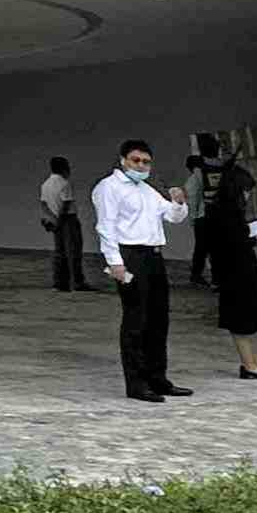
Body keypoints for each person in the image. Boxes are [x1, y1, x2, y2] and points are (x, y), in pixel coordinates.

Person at [91, 138, 192, 402]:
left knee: (158, 319)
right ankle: (136, 383)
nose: (141, 165)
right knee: (136, 319)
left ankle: (157, 378)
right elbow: (106, 226)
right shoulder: (109, 187)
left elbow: (173, 216)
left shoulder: (147, 190)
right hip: (130, 256)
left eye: (146, 162)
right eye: (135, 160)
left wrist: (179, 202)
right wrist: (115, 261)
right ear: (123, 160)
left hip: (153, 255)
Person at [189, 133, 257, 379]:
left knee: (249, 320)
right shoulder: (224, 213)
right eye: (246, 191)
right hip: (234, 273)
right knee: (241, 321)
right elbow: (231, 244)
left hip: (240, 270)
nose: (248, 196)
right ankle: (250, 366)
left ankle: (256, 363)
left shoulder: (225, 211)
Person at [38, 155, 84, 292]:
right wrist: (60, 220)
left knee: (60, 252)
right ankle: (77, 282)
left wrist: (52, 218)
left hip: (55, 219)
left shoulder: (45, 184)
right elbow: (66, 204)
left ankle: (59, 283)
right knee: (74, 252)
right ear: (64, 168)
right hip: (68, 220)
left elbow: (44, 204)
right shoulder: (64, 183)